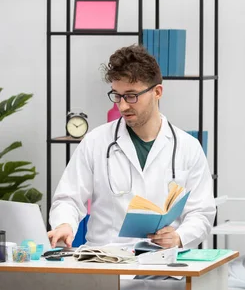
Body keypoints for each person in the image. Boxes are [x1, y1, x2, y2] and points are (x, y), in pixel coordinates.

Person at [48, 44, 216, 248]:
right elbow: (68, 199)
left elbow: (202, 212)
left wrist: (179, 237)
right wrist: (65, 224)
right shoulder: (95, 142)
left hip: (164, 266)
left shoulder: (188, 147)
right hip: (105, 263)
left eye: (131, 96)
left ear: (157, 92)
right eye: (117, 95)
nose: (122, 106)